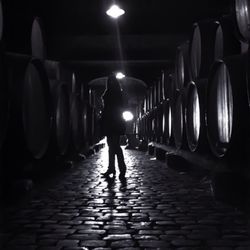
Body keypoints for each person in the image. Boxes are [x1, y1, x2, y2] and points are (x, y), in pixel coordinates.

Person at [100, 73, 127, 180]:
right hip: (109, 122)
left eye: (112, 81)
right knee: (111, 146)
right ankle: (112, 168)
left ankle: (122, 168)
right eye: (109, 81)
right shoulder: (109, 92)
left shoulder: (117, 93)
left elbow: (118, 109)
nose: (110, 82)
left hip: (115, 122)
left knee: (115, 146)